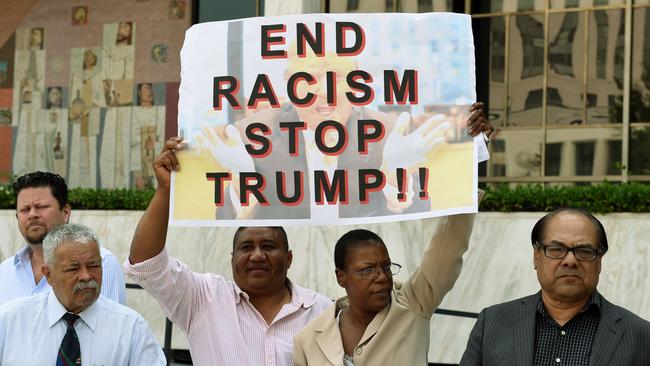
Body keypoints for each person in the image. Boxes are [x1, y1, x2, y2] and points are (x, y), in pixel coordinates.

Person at [122, 139, 332, 365]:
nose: (258, 255)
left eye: (269, 246)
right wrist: (165, 190)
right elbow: (146, 263)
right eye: (246, 247)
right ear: (232, 258)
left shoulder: (321, 310)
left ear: (289, 258)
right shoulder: (203, 299)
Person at [459, 208, 650, 365]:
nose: (570, 260)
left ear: (599, 261)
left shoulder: (641, 335)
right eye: (556, 249)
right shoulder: (492, 323)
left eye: (584, 251)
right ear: (536, 257)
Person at [292, 209, 478, 365]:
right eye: (367, 270)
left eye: (386, 267)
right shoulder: (307, 340)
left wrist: (462, 196)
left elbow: (447, 251)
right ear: (341, 277)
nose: (381, 277)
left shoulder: (414, 305)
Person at [0, 224, 165, 365]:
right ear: (48, 275)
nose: (86, 276)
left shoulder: (132, 329)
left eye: (93, 266)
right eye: (73, 269)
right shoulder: (10, 321)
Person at [0, 171, 126, 305]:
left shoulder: (101, 263)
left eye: (41, 207)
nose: (32, 214)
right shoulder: (5, 271)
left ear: (65, 212)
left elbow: (109, 322)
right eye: (25, 209)